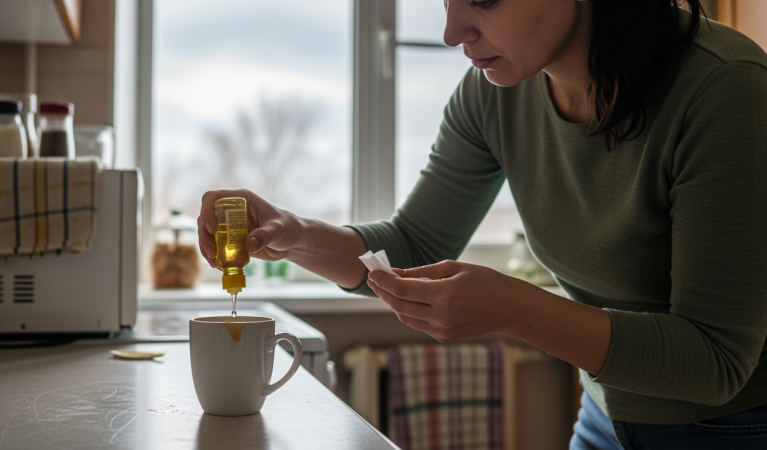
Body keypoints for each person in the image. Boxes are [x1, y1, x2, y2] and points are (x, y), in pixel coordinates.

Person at [198, 0, 767, 448]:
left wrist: (512, 308)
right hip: (602, 415)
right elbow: (414, 244)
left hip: (734, 428)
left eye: (484, 0)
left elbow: (714, 361)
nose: (452, 32)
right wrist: (295, 235)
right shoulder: (495, 94)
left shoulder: (725, 90)